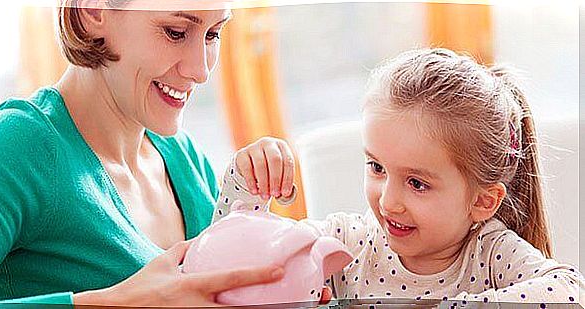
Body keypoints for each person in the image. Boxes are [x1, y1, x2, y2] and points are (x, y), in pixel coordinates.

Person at [0, 0, 305, 306]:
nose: (201, 70)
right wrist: (120, 302)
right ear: (93, 11)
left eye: (212, 34)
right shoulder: (17, 145)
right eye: (175, 32)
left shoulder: (184, 158)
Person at [215, 48, 585, 306]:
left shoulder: (490, 254)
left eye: (417, 183)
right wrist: (245, 186)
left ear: (482, 201)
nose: (388, 201)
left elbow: (572, 292)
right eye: (377, 168)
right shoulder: (350, 242)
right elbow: (227, 274)